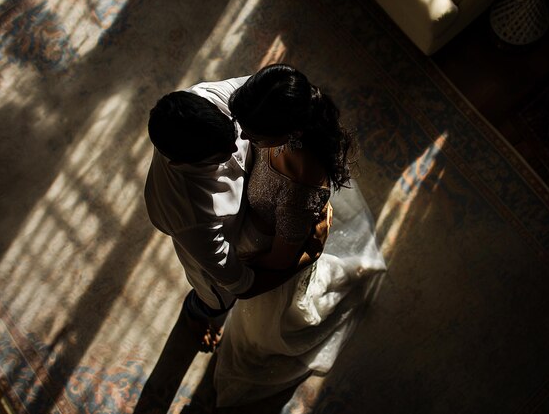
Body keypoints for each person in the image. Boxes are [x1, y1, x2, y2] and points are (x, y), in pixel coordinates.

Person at [213, 64, 386, 407]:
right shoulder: (275, 115)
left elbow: (280, 261)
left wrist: (233, 268)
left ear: (288, 132)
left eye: (256, 135)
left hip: (274, 257)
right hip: (264, 225)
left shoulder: (298, 187)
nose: (245, 139)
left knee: (264, 327)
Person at [144, 76, 327, 354]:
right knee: (217, 300)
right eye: (219, 156)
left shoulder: (209, 97)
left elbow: (269, 94)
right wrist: (307, 257)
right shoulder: (189, 216)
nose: (236, 146)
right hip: (223, 249)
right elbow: (241, 284)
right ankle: (197, 315)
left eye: (234, 131)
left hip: (255, 210)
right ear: (182, 163)